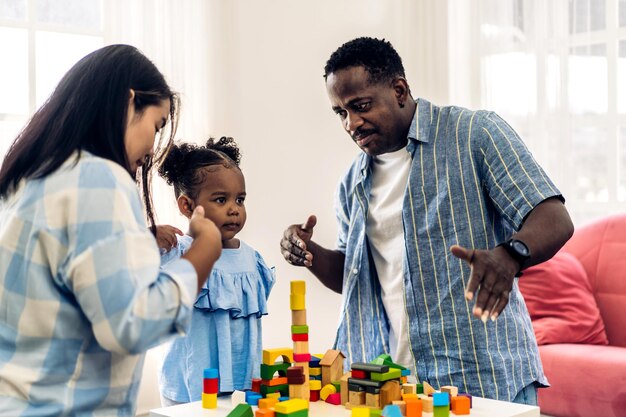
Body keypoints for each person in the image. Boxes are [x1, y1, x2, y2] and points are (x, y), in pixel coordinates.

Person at [280, 37, 574, 404]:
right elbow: (357, 278)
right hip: (393, 387)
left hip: (480, 379)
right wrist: (310, 253)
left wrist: (509, 254)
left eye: (361, 106)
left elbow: (554, 218)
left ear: (399, 90)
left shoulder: (474, 134)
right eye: (341, 112)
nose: (351, 123)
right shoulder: (351, 183)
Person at [0, 44, 222, 416]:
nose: (152, 148)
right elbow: (134, 323)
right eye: (157, 125)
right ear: (128, 101)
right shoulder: (97, 178)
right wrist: (205, 248)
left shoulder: (26, 181)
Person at [157, 137, 275, 405]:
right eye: (221, 200)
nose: (234, 209)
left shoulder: (252, 260)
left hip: (239, 391)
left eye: (240, 199)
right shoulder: (176, 253)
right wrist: (148, 236)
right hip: (186, 390)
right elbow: (132, 273)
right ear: (187, 206)